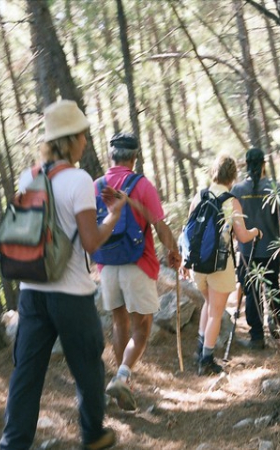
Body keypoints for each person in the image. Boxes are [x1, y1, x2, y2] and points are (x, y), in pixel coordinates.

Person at [0, 100, 126, 450]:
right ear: (71, 139)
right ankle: (93, 434)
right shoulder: (79, 179)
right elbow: (90, 242)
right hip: (70, 293)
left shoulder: (29, 176)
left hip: (30, 290)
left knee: (26, 373)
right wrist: (113, 216)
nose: (86, 141)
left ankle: (13, 443)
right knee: (87, 366)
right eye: (83, 135)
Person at [99, 132, 181, 410]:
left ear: (111, 156)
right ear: (134, 157)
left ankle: (123, 384)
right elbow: (158, 225)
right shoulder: (141, 184)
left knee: (119, 324)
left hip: (107, 266)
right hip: (137, 263)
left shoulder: (97, 185)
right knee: (142, 329)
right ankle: (123, 377)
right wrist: (173, 251)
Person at [182, 154, 261, 376]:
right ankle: (206, 360)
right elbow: (243, 236)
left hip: (198, 264)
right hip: (219, 264)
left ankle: (200, 348)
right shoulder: (230, 201)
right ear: (233, 175)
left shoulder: (199, 196)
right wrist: (256, 231)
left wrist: (184, 261)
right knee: (217, 312)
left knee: (209, 303)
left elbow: (187, 230)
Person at [231, 147, 280, 349]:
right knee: (273, 286)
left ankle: (257, 336)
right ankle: (276, 327)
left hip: (247, 253)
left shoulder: (238, 191)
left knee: (252, 292)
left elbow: (230, 222)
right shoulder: (274, 187)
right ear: (264, 165)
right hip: (271, 250)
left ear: (246, 165)